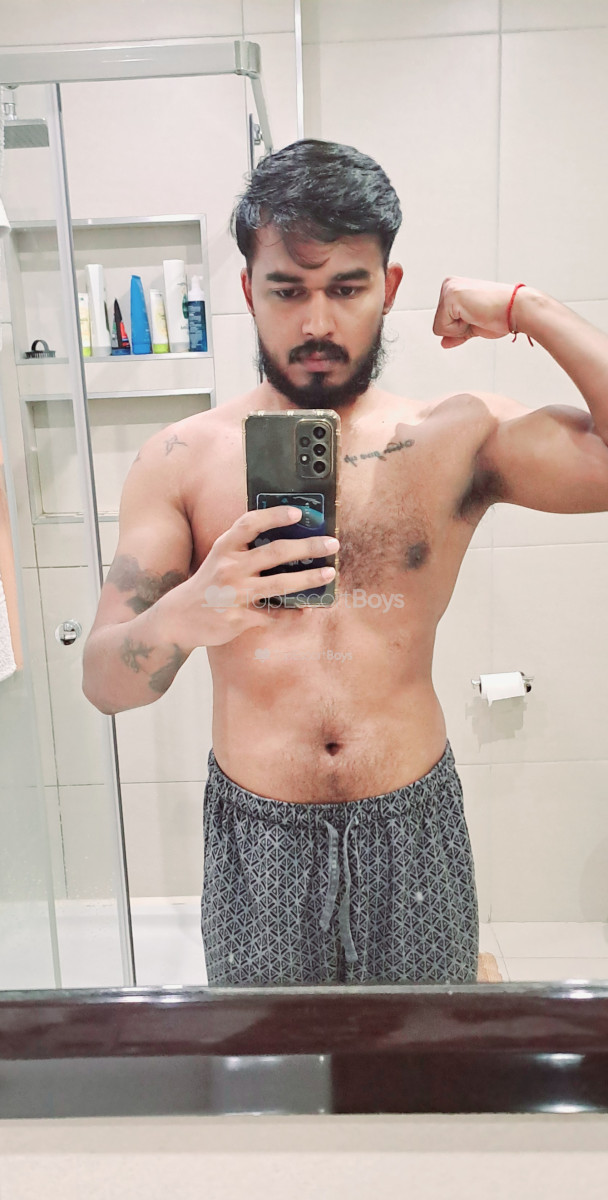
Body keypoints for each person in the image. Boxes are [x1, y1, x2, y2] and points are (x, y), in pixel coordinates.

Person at [82, 140, 608, 987]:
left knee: (419, 1053)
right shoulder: (178, 460)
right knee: (272, 1064)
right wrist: (192, 609)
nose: (318, 323)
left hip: (413, 824)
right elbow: (105, 683)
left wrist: (528, 307)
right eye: (287, 290)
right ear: (247, 290)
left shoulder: (454, 435)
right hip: (258, 839)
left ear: (390, 288)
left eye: (347, 288)